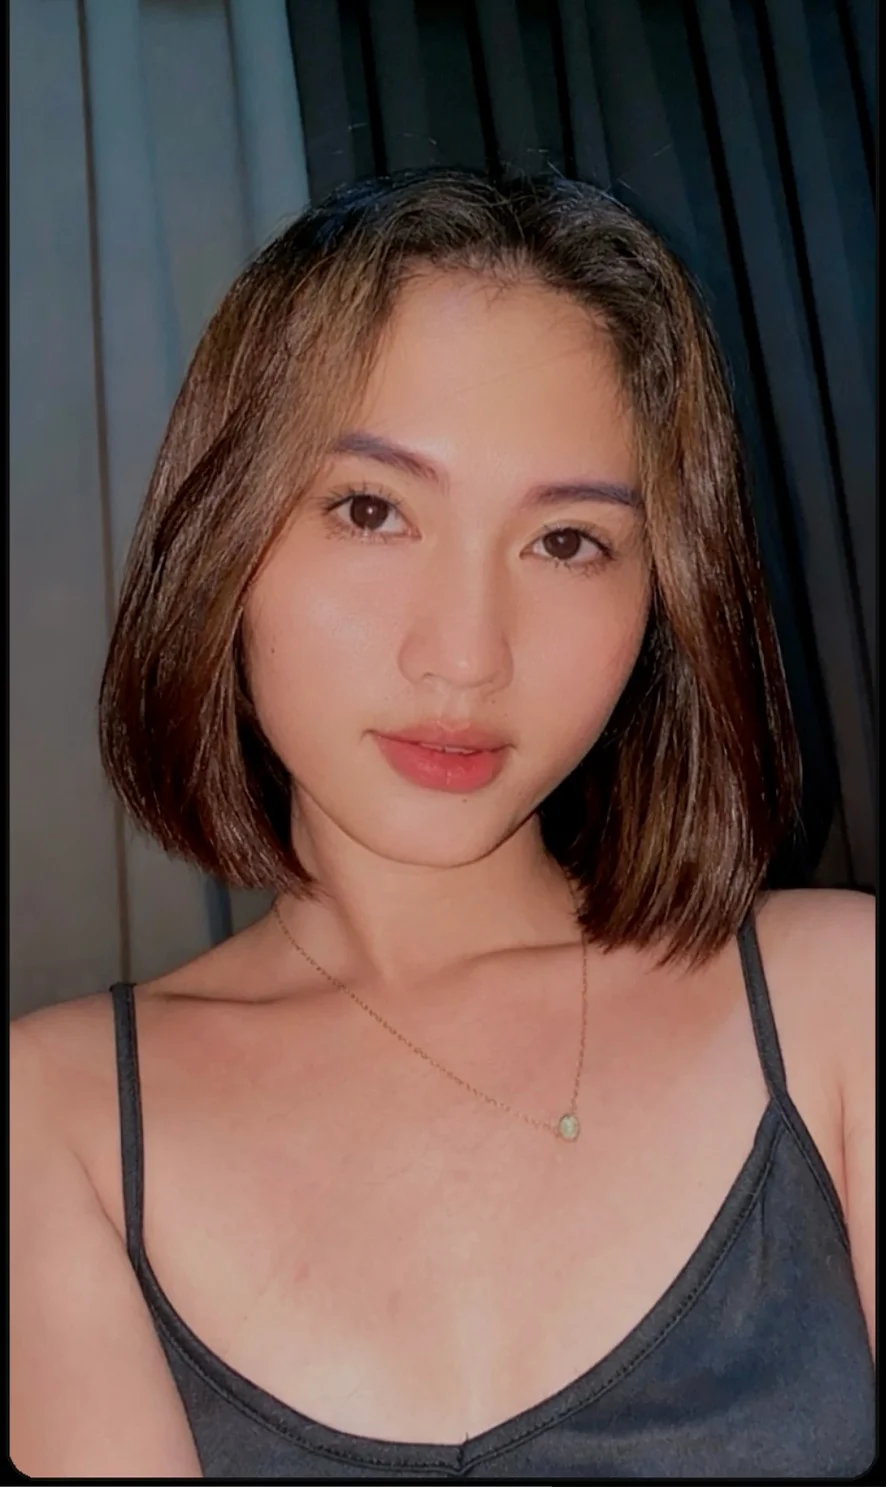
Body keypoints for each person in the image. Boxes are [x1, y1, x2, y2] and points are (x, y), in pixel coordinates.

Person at [11, 166, 874, 1480]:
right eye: (371, 511)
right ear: (221, 533)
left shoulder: (837, 1007)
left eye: (567, 541)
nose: (465, 657)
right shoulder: (57, 1119)